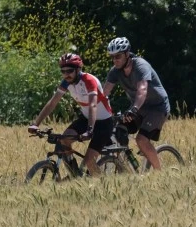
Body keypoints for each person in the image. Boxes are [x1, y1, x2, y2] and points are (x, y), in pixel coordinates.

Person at [27, 53, 114, 176]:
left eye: (69, 70)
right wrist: (36, 124)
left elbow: (93, 105)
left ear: (78, 69)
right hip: (85, 119)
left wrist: (90, 130)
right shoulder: (66, 83)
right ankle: (75, 175)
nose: (66, 74)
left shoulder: (89, 80)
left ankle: (102, 185)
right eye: (63, 71)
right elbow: (52, 103)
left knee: (90, 161)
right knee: (65, 140)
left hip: (103, 123)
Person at [102, 37, 172, 170]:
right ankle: (125, 166)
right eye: (112, 57)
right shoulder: (115, 71)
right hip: (139, 107)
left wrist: (133, 109)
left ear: (127, 54)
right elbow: (103, 93)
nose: (115, 60)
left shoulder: (140, 66)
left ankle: (160, 174)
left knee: (141, 140)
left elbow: (142, 90)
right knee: (118, 132)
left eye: (118, 56)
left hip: (157, 107)